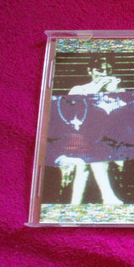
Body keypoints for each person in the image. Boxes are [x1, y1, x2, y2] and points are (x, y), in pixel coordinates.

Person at [51, 56, 123, 205]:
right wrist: (97, 88)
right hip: (79, 137)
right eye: (100, 70)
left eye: (108, 70)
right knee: (93, 159)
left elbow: (120, 115)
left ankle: (75, 204)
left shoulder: (117, 90)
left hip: (105, 137)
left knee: (85, 165)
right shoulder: (79, 89)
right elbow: (71, 106)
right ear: (90, 71)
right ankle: (108, 197)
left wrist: (115, 92)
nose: (105, 73)